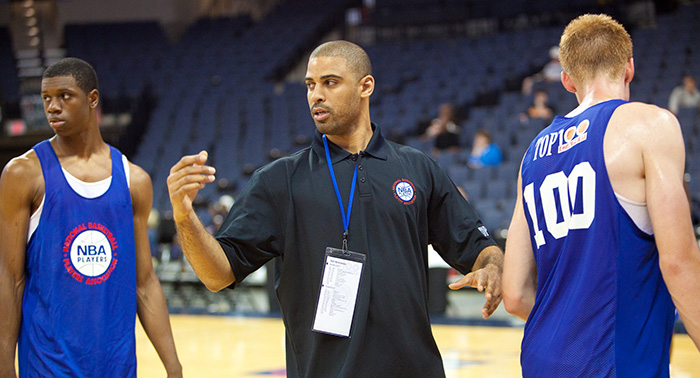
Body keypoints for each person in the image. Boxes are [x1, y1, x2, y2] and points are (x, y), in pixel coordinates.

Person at [167, 40, 504, 377]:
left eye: (330, 82)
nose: (316, 95)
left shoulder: (417, 169)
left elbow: (479, 248)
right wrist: (185, 217)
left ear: (365, 87)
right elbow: (217, 275)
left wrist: (491, 267)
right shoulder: (279, 181)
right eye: (310, 85)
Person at [502, 14, 700, 378]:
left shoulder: (533, 155)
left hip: (539, 358)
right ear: (629, 68)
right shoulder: (648, 125)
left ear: (566, 80)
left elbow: (514, 294)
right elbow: (678, 262)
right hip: (614, 363)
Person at [0, 58, 182, 377]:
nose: (52, 107)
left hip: (115, 365)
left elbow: (145, 282)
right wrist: (4, 365)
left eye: (64, 96)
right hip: (46, 364)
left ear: (92, 99)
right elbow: (9, 279)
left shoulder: (133, 180)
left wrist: (173, 366)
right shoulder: (23, 174)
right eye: (46, 98)